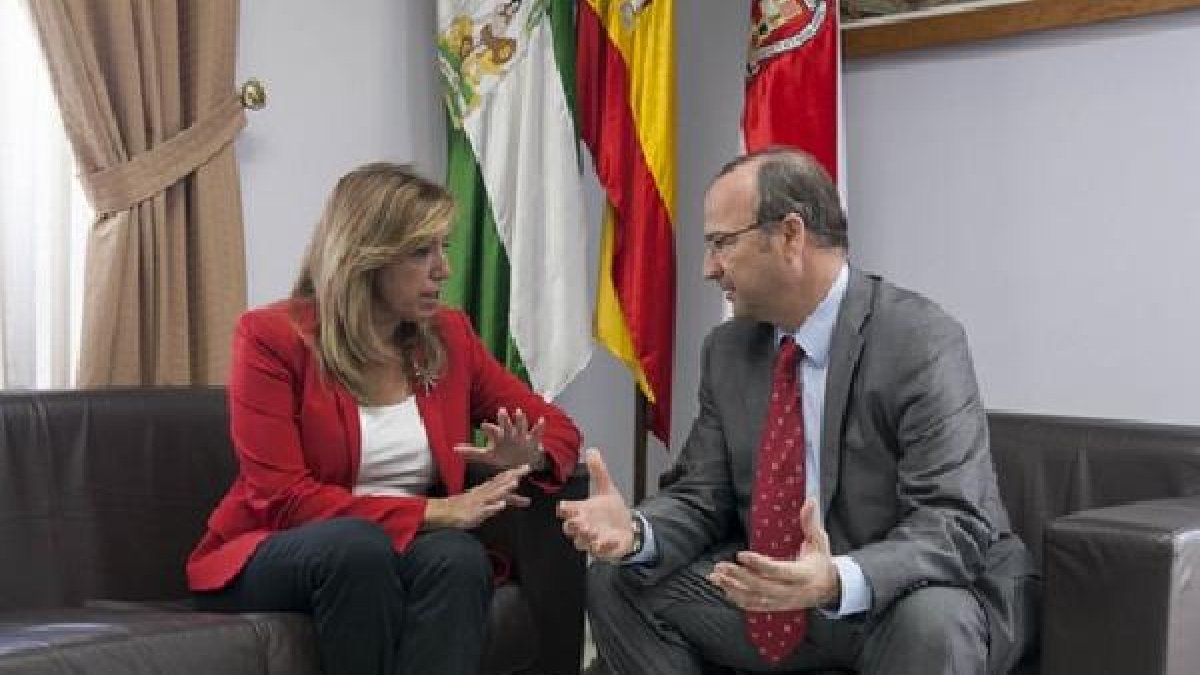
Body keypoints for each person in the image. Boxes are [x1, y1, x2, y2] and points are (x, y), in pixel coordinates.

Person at [559, 148, 1038, 675]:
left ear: (790, 235)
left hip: (892, 597)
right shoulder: (728, 351)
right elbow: (701, 496)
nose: (708, 268)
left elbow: (955, 521)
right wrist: (636, 532)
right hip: (780, 596)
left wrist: (835, 578)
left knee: (933, 623)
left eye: (722, 243)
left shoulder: (919, 340)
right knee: (617, 581)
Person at [187, 162, 581, 675]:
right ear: (365, 257)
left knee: (460, 559)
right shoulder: (272, 338)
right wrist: (437, 513)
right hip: (278, 552)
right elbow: (283, 500)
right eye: (422, 251)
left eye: (443, 247)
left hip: (395, 548)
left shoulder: (449, 338)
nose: (444, 269)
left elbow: (559, 429)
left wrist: (531, 452)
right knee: (360, 548)